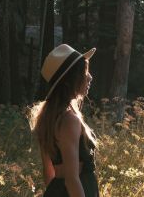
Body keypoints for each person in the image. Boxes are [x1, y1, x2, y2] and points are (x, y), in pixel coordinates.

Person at [29, 44, 99, 197]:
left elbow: (49, 173)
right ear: (70, 79)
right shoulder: (69, 121)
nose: (90, 77)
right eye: (84, 72)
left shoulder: (48, 118)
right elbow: (72, 179)